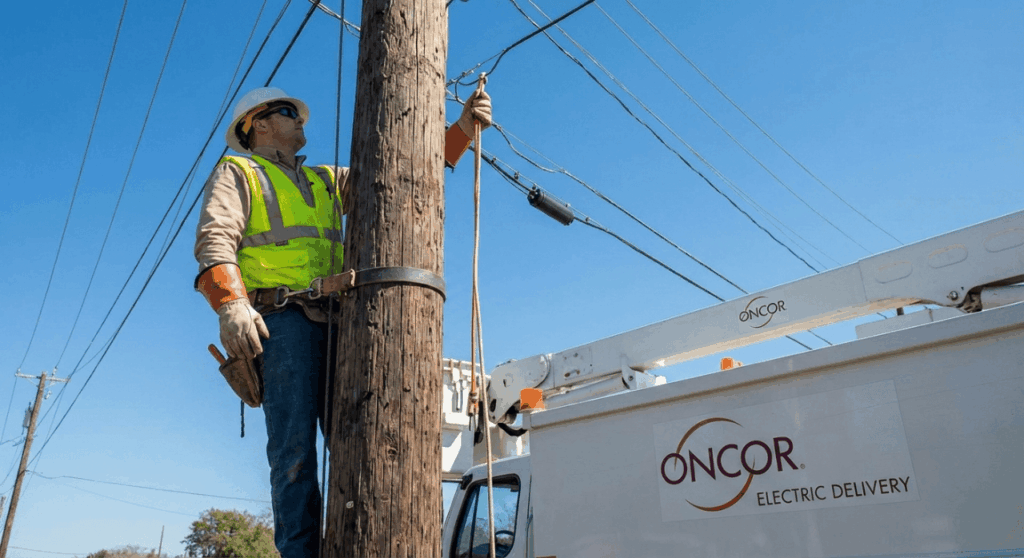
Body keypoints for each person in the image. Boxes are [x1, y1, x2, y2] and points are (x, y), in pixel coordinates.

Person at [193, 86, 491, 558]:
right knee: (294, 453)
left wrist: (461, 131)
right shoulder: (239, 171)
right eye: (289, 111)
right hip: (280, 320)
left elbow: (405, 173)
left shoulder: (327, 181)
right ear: (258, 125)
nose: (301, 119)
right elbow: (214, 240)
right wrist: (231, 305)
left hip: (340, 322)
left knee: (362, 437)